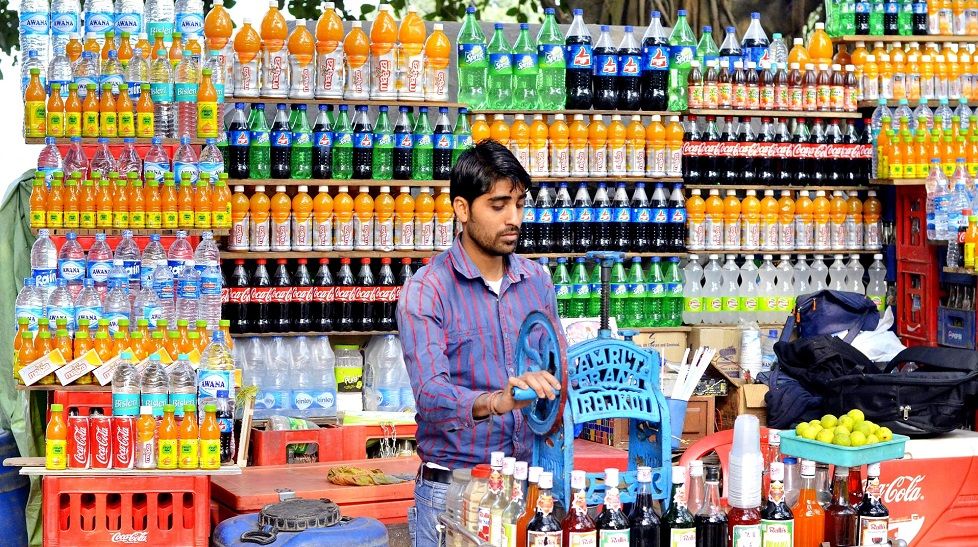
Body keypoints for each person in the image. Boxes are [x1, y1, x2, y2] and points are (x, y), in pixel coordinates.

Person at [397, 140, 564, 547]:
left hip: (527, 488)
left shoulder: (536, 281)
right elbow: (431, 396)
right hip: (454, 491)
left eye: (519, 205)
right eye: (498, 205)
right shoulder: (427, 290)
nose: (513, 219)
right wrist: (496, 401)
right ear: (462, 208)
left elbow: (558, 369)